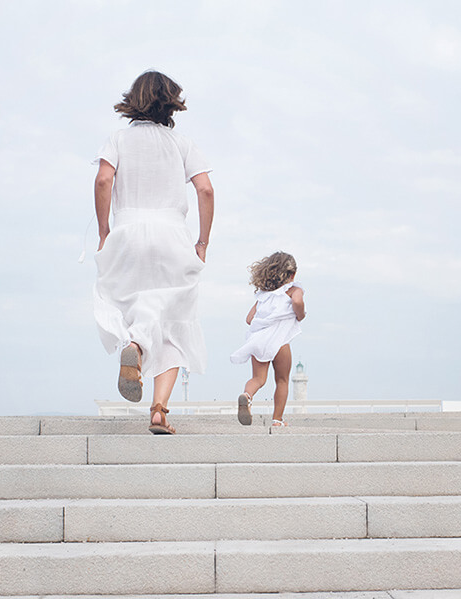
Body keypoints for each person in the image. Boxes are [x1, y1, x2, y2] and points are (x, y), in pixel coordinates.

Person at [92, 70, 214, 435]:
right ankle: (159, 408)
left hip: (128, 231)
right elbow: (206, 190)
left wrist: (104, 231)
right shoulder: (182, 144)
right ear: (171, 102)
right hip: (173, 236)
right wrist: (202, 242)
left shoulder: (117, 139)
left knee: (128, 302)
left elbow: (102, 180)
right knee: (175, 322)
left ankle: (134, 343)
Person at [230, 252, 306, 427]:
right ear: (292, 274)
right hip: (280, 342)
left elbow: (249, 319)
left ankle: (247, 397)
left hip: (259, 341)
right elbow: (298, 302)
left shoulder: (263, 296)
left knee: (258, 379)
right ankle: (277, 420)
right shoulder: (294, 289)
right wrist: (299, 315)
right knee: (282, 380)